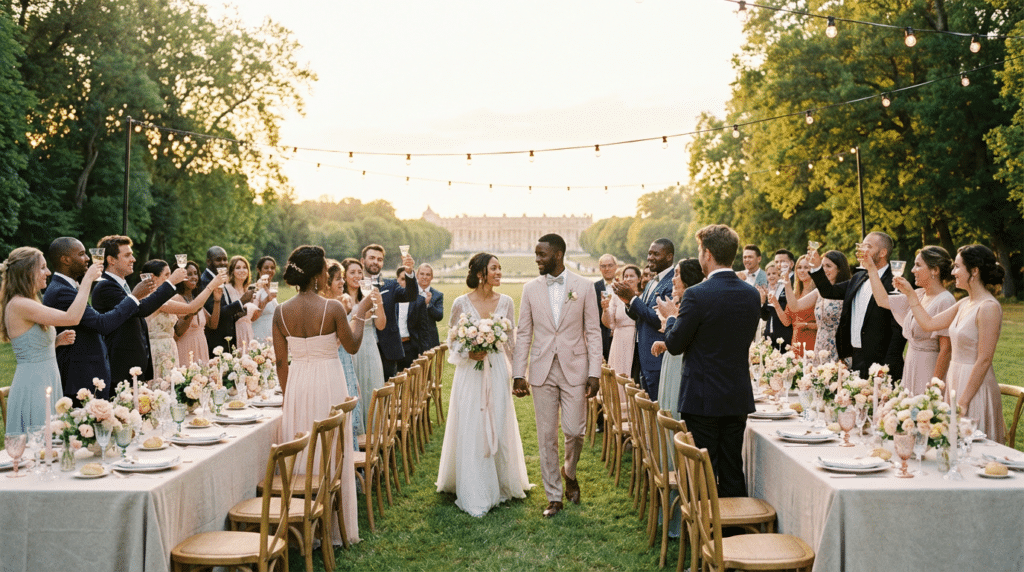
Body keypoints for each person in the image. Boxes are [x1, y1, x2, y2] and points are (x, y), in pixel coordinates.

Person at [272, 245, 373, 546]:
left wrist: (288, 395)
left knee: (303, 451)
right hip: (329, 383)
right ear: (319, 276)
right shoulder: (334, 309)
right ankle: (332, 526)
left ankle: (302, 526)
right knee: (329, 451)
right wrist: (362, 314)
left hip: (297, 385)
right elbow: (352, 345)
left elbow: (280, 362)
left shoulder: (280, 311)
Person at [657, 224, 760, 498]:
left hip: (702, 396)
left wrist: (670, 319)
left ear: (708, 254)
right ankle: (732, 536)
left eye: (700, 251)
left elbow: (675, 345)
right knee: (731, 468)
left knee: (702, 471)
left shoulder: (696, 294)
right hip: (736, 394)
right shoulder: (751, 294)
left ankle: (705, 535)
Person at [512, 234, 602, 518]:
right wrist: (518, 373)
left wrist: (594, 372)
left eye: (542, 254)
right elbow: (524, 332)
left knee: (575, 431)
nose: (537, 259)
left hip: (575, 367)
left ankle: (569, 472)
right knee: (546, 436)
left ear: (558, 255)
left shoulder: (584, 287)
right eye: (536, 254)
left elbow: (593, 332)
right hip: (541, 368)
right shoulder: (529, 289)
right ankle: (554, 496)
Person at [437, 253, 532, 517]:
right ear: (481, 273)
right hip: (470, 373)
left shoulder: (507, 302)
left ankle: (501, 480)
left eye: (500, 268)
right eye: (494, 268)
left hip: (498, 369)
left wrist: (519, 375)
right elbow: (452, 340)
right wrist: (468, 352)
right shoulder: (460, 303)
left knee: (498, 419)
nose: (500, 272)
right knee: (471, 423)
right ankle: (474, 485)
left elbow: (511, 343)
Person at [897, 245, 1006, 442]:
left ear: (974, 271)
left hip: (974, 385)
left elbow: (984, 359)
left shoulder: (988, 307)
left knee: (971, 444)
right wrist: (911, 295)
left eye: (957, 267)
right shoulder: (964, 303)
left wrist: (963, 401)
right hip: (954, 379)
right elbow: (929, 323)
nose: (953, 272)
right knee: (951, 445)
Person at [1, 247, 101, 435]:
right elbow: (72, 318)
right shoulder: (20, 304)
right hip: (34, 384)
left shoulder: (29, 302)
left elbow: (29, 344)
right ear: (27, 271)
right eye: (43, 268)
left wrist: (53, 342)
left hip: (47, 378)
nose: (48, 272)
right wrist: (87, 280)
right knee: (41, 442)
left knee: (51, 441)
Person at [42, 237, 140, 400]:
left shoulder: (68, 287)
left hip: (87, 377)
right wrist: (133, 297)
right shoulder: (61, 291)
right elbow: (102, 324)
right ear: (65, 260)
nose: (87, 258)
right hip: (79, 380)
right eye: (81, 254)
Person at [809, 232, 905, 378]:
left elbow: (898, 330)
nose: (862, 250)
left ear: (883, 253)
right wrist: (817, 268)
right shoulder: (859, 277)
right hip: (854, 357)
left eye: (868, 246)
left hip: (880, 361)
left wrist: (888, 365)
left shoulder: (895, 283)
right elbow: (829, 292)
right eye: (862, 246)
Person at [862, 246, 955, 394]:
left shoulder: (945, 301)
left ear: (935, 270)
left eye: (918, 265)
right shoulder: (918, 294)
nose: (912, 270)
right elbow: (882, 300)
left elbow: (946, 349)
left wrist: (935, 385)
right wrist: (872, 269)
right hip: (910, 364)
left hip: (928, 368)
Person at [91, 235, 183, 384]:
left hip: (135, 366)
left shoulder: (122, 285)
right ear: (111, 260)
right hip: (120, 368)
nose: (133, 259)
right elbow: (142, 310)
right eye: (127, 255)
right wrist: (170, 282)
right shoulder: (105, 286)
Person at [141, 259, 226, 380]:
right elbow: (191, 308)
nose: (172, 278)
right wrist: (211, 285)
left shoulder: (163, 299)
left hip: (170, 349)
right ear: (154, 278)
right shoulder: (153, 299)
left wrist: (217, 299)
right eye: (167, 275)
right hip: (159, 352)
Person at [612, 238, 676, 399]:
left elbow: (657, 319)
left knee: (657, 408)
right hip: (643, 357)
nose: (650, 258)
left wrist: (633, 299)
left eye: (656, 254)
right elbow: (640, 316)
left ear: (669, 257)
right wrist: (627, 302)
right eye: (649, 253)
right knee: (647, 409)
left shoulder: (671, 282)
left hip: (657, 358)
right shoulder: (651, 282)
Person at [652, 259, 704, 419]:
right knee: (667, 408)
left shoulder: (694, 302)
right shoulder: (683, 301)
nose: (673, 279)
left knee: (675, 411)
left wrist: (671, 317)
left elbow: (683, 338)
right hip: (672, 360)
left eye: (677, 274)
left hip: (682, 364)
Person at [781, 250, 852, 364]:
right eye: (822, 266)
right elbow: (795, 306)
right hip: (819, 346)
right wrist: (787, 284)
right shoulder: (819, 291)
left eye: (828, 266)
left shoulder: (848, 290)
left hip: (839, 348)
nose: (824, 269)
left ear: (839, 268)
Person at [359, 244, 418, 379]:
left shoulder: (391, 285)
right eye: (372, 258)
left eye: (379, 259)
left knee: (386, 392)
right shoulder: (354, 285)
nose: (375, 262)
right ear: (363, 261)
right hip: (360, 347)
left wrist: (409, 272)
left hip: (387, 351)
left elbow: (411, 296)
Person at [322, 260, 365, 441]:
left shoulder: (341, 302)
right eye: (338, 279)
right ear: (327, 283)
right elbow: (335, 341)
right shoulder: (326, 307)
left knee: (350, 414)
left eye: (342, 278)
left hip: (345, 362)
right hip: (333, 365)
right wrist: (359, 313)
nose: (342, 283)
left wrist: (353, 378)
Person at [342, 257, 385, 430]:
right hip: (349, 350)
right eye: (352, 272)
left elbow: (381, 325)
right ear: (344, 276)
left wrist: (378, 303)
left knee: (371, 389)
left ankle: (374, 436)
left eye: (360, 272)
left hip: (368, 348)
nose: (357, 275)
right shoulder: (341, 299)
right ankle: (355, 436)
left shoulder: (369, 295)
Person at [198, 246, 253, 356]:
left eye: (225, 259)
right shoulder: (205, 281)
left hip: (227, 340)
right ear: (208, 261)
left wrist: (239, 314)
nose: (223, 263)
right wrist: (240, 302)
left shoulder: (220, 279)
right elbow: (215, 313)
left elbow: (225, 309)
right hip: (215, 340)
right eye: (218, 260)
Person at [173, 261, 222, 367]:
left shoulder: (196, 299)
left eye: (195, 273)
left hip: (202, 347)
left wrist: (217, 301)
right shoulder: (176, 299)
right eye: (189, 274)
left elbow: (213, 324)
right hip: (186, 349)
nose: (194, 277)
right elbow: (178, 332)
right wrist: (191, 313)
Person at [604, 265, 640, 382]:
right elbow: (610, 323)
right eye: (626, 276)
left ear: (638, 279)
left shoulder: (642, 295)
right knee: (618, 372)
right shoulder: (616, 296)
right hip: (619, 339)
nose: (628, 278)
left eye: (632, 276)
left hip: (636, 338)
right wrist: (605, 309)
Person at [782, 255, 817, 357]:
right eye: (799, 267)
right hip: (796, 343)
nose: (802, 271)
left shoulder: (818, 293)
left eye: (806, 268)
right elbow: (786, 321)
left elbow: (827, 325)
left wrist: (806, 325)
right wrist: (775, 304)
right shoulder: (795, 294)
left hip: (812, 343)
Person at [408, 263, 443, 357]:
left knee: (428, 371)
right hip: (411, 340)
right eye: (422, 274)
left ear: (432, 277)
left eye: (428, 275)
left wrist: (428, 304)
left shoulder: (437, 295)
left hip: (430, 340)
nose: (424, 277)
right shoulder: (408, 293)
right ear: (417, 275)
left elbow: (439, 316)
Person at [225, 255, 258, 350]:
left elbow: (253, 317)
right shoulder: (227, 289)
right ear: (232, 271)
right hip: (235, 332)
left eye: (244, 267)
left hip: (248, 331)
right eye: (238, 268)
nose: (242, 270)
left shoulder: (247, 290)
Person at [757, 261, 792, 351]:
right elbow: (764, 317)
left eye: (774, 273)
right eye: (768, 274)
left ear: (779, 274)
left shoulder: (785, 289)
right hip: (769, 335)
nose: (771, 276)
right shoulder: (765, 291)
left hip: (784, 333)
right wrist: (762, 301)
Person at [594, 253, 618, 360]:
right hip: (602, 336)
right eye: (603, 266)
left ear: (616, 267)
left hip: (620, 335)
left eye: (610, 265)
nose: (607, 269)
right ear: (600, 268)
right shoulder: (594, 287)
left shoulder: (622, 284)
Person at [251, 256, 279, 343]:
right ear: (259, 270)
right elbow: (252, 316)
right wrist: (266, 300)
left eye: (272, 268)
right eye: (266, 268)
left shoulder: (272, 290)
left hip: (271, 335)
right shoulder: (254, 289)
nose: (270, 270)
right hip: (258, 335)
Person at [395, 266, 417, 371]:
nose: (406, 283)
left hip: (409, 346)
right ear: (397, 280)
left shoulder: (417, 301)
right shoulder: (390, 299)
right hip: (392, 346)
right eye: (403, 279)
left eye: (408, 280)